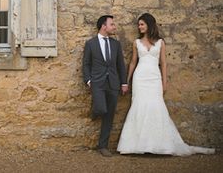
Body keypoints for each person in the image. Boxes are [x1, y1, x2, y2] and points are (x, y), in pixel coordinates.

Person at [117, 13, 215, 156]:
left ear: (149, 24)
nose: (139, 27)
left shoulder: (160, 42)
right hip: (140, 78)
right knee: (140, 106)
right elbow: (133, 62)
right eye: (139, 25)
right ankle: (138, 145)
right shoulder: (136, 43)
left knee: (156, 106)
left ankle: (158, 144)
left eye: (142, 24)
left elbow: (163, 64)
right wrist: (126, 80)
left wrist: (164, 83)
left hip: (154, 78)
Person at [83, 15, 128, 157]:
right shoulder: (91, 43)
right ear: (104, 26)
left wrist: (124, 82)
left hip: (113, 83)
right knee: (101, 108)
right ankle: (96, 110)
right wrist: (88, 81)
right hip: (97, 83)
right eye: (112, 24)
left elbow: (121, 64)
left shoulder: (116, 44)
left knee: (109, 116)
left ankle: (103, 146)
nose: (114, 27)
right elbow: (86, 64)